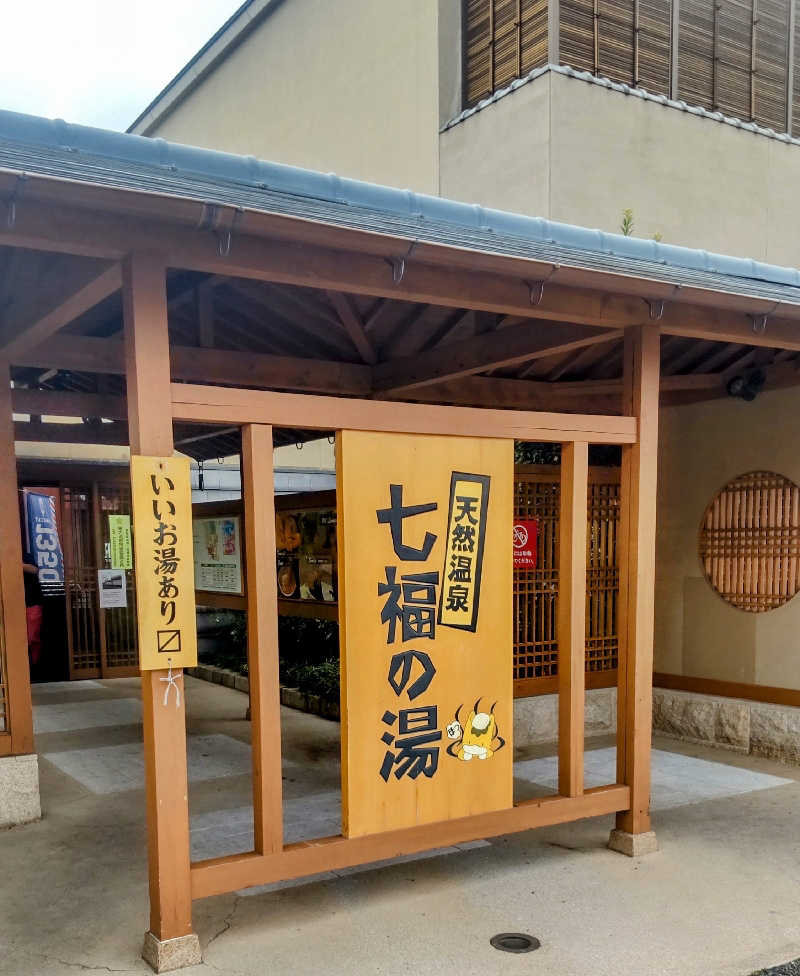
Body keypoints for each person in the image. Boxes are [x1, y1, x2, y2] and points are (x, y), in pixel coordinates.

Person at [22, 559, 43, 671]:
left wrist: (17, 564)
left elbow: (35, 569)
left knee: (31, 638)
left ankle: (34, 666)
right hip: (16, 604)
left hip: (32, 604)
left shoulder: (26, 555)